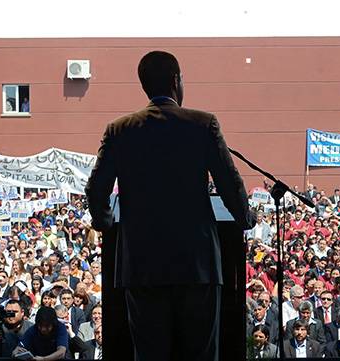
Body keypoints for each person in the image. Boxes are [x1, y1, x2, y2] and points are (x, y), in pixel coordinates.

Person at [85, 50, 253, 361]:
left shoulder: (120, 129)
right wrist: (245, 219)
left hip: (142, 268)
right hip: (197, 267)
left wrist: (105, 223)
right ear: (176, 81)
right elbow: (230, 183)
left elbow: (96, 191)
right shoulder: (202, 124)